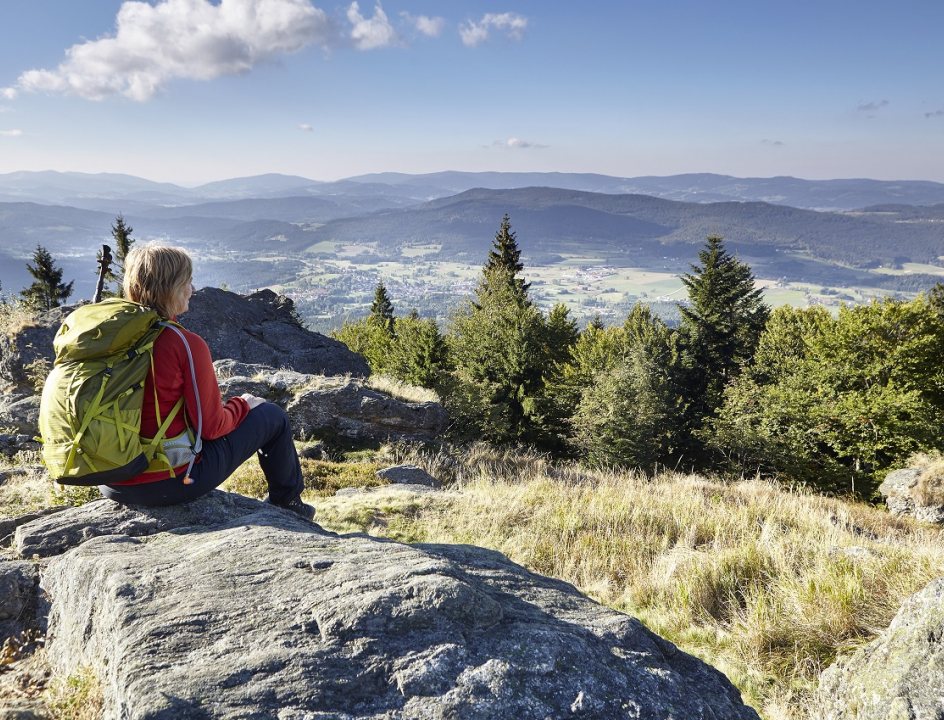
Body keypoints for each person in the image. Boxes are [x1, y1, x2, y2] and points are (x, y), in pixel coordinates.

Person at [98, 244, 315, 520]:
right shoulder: (184, 344)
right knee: (273, 417)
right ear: (172, 288)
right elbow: (211, 428)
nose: (192, 287)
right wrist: (243, 405)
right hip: (169, 482)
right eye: (187, 281)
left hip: (112, 480)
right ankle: (288, 505)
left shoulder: (111, 338)